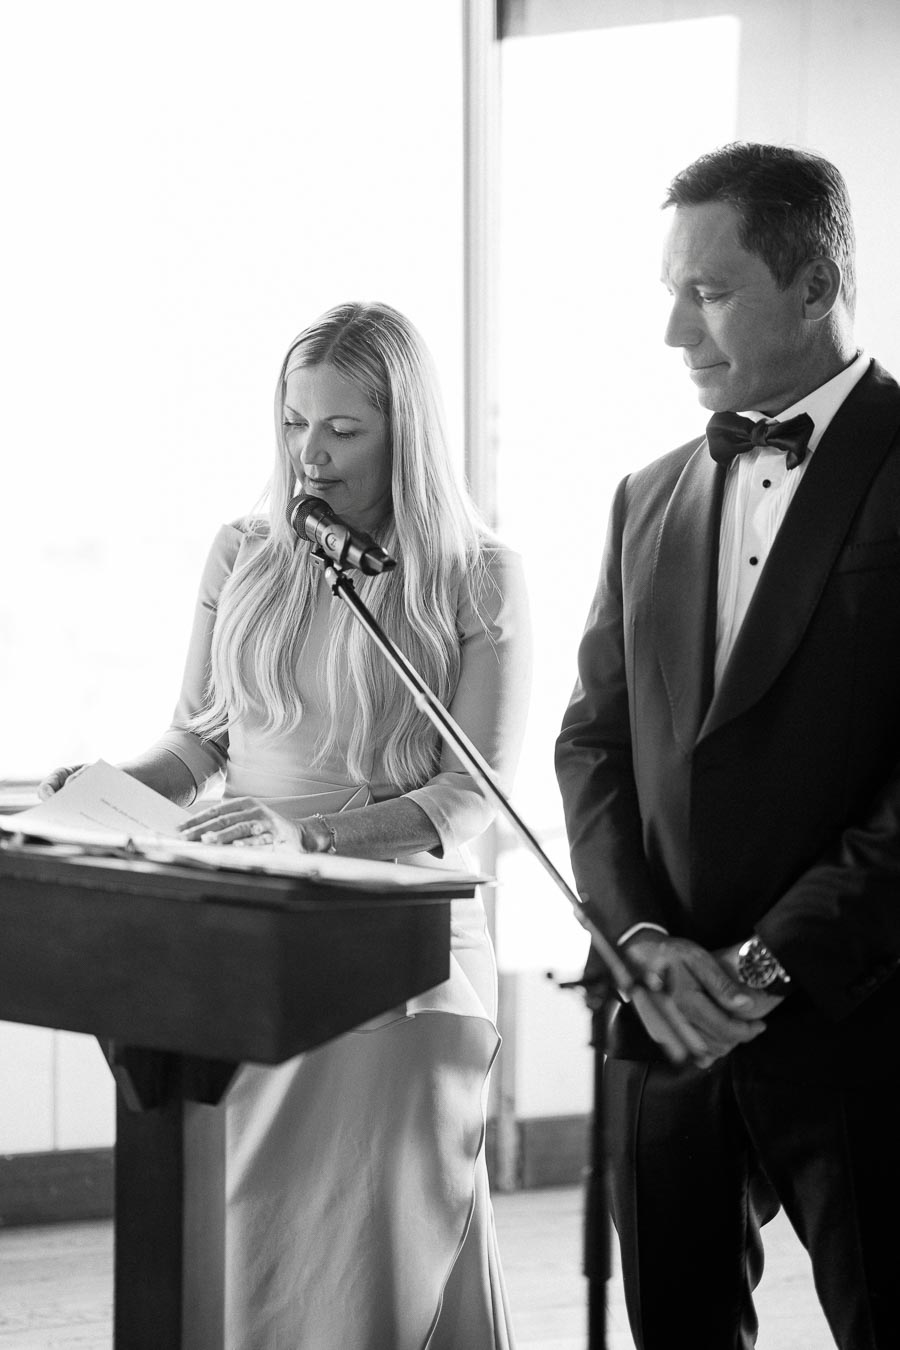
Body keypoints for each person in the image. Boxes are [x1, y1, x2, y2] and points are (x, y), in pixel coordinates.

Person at [41, 301, 531, 1349]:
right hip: (248, 937)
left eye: (344, 430)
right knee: (249, 1243)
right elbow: (199, 742)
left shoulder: (478, 575)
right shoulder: (243, 553)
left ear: (409, 433)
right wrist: (108, 788)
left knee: (372, 1257)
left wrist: (311, 843)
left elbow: (468, 798)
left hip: (401, 950)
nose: (311, 455)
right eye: (295, 424)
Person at [555, 142, 900, 1350]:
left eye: (707, 293)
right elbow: (593, 745)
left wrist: (766, 966)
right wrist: (644, 942)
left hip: (865, 1015)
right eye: (670, 292)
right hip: (665, 1015)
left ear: (816, 287)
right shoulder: (642, 495)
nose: (674, 334)